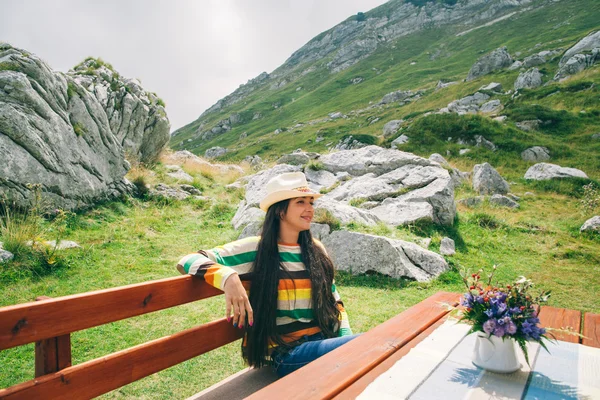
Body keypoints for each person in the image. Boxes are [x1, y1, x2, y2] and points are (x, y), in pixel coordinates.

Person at [176, 171, 358, 377]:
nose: (309, 209)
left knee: (372, 347)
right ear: (280, 211)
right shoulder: (256, 249)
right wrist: (228, 277)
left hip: (325, 342)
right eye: (300, 202)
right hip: (288, 353)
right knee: (373, 345)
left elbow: (336, 302)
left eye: (311, 202)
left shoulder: (316, 250)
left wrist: (347, 340)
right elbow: (187, 260)